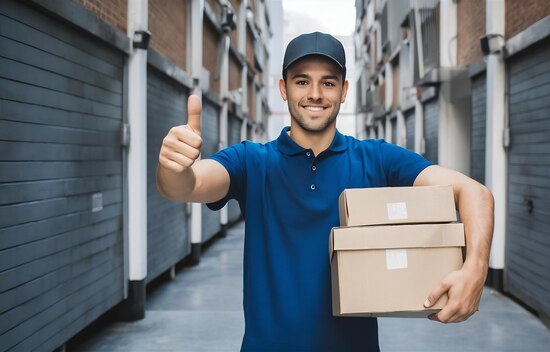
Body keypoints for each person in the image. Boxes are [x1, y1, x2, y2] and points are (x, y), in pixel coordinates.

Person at [157, 32, 494, 351]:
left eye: (328, 82)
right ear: (284, 88)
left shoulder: (376, 159)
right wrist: (174, 167)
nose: (315, 93)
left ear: (344, 90)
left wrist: (475, 270)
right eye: (302, 81)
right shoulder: (251, 161)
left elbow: (474, 194)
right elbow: (187, 186)